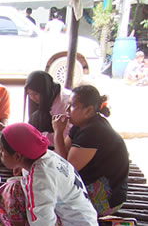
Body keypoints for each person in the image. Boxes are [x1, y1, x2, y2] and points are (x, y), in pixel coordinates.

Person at [52, 85, 129, 217]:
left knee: (48, 200)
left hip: (107, 199)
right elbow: (61, 154)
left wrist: (58, 133)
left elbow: (65, 169)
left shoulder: (93, 131)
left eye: (72, 106)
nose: (67, 110)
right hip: (90, 182)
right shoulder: (80, 125)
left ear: (89, 110)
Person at [24, 71, 70, 146]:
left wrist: (38, 136)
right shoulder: (49, 94)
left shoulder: (61, 105)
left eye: (36, 94)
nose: (32, 97)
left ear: (45, 90)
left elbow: (65, 136)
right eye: (29, 94)